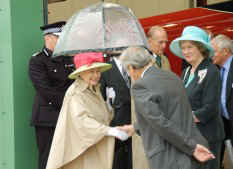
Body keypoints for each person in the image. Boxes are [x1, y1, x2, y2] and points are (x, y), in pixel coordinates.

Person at [119, 46, 215, 169]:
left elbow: (159, 122)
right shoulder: (172, 76)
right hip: (192, 148)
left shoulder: (140, 86)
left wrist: (191, 148)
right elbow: (171, 113)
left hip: (170, 156)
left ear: (131, 68)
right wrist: (135, 127)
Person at [46, 52, 129, 169]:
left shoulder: (94, 89)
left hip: (93, 148)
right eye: (91, 71)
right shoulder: (76, 93)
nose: (96, 75)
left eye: (98, 71)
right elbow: (82, 122)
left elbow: (101, 116)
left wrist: (110, 108)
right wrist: (109, 131)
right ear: (81, 72)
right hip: (81, 152)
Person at [170, 26, 225, 169]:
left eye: (190, 47)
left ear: (201, 48)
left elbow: (210, 108)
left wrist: (184, 117)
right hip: (190, 136)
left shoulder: (211, 71)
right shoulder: (186, 71)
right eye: (183, 48)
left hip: (207, 137)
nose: (185, 51)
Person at [28, 21, 74, 169]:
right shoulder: (37, 60)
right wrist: (68, 103)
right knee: (48, 159)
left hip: (67, 116)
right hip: (48, 118)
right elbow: (45, 90)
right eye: (59, 37)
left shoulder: (67, 59)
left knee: (67, 159)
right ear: (48, 38)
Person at [100, 54, 132, 169]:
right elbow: (101, 99)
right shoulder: (105, 69)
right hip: (116, 126)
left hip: (134, 125)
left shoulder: (133, 64)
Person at [211, 34, 233, 167]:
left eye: (214, 51)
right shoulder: (219, 70)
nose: (211, 55)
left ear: (225, 51)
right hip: (226, 123)